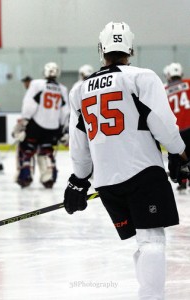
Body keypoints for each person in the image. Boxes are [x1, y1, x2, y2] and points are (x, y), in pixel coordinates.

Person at [63, 22, 188, 300]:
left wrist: (78, 181)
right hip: (143, 172)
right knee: (152, 240)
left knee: (142, 244)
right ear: (130, 48)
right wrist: (180, 154)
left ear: (101, 49)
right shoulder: (141, 77)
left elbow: (78, 144)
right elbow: (163, 124)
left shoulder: (79, 90)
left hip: (107, 183)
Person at [13, 62, 69, 188]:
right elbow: (65, 111)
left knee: (26, 150)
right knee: (47, 151)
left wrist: (23, 122)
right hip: (53, 127)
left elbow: (29, 104)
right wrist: (63, 129)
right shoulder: (63, 89)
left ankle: (25, 176)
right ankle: (49, 177)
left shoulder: (37, 84)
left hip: (35, 126)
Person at [163, 62, 190, 192]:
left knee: (180, 158)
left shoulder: (164, 90)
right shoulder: (188, 83)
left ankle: (183, 181)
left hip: (177, 130)